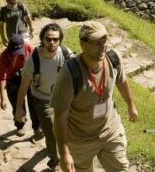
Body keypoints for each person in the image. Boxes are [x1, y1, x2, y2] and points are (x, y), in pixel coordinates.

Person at [51, 21, 138, 172]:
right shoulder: (70, 74)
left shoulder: (113, 58)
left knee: (121, 169)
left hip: (110, 130)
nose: (103, 46)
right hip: (80, 141)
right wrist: (65, 154)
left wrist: (130, 104)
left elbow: (122, 82)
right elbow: (59, 117)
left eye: (104, 41)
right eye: (96, 43)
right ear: (82, 44)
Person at [15, 23, 73, 170]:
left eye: (56, 39)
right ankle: (55, 163)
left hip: (62, 97)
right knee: (52, 132)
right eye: (48, 39)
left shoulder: (66, 54)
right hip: (42, 99)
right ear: (42, 39)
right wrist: (19, 110)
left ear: (60, 40)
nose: (52, 42)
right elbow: (23, 87)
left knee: (68, 128)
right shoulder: (33, 60)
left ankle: (62, 149)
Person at [0, 34, 40, 136]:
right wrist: (2, 98)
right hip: (12, 79)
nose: (17, 55)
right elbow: (1, 77)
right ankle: (20, 124)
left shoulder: (28, 47)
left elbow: (37, 62)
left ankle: (37, 126)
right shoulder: (4, 56)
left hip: (28, 75)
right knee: (17, 104)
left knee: (33, 101)